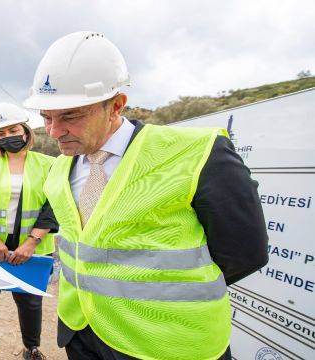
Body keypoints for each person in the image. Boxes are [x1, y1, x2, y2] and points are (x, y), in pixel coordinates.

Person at [22, 32, 269, 360]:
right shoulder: (58, 170)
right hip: (81, 332)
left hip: (167, 345)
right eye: (46, 117)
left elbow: (245, 253)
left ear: (116, 106)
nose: (53, 132)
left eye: (70, 115)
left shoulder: (197, 153)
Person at [0, 103, 58, 360]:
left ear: (26, 131)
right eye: (1, 134)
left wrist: (31, 243)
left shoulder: (49, 164)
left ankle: (32, 349)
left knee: (29, 303)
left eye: (13, 130)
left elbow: (53, 206)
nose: (7, 137)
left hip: (31, 250)